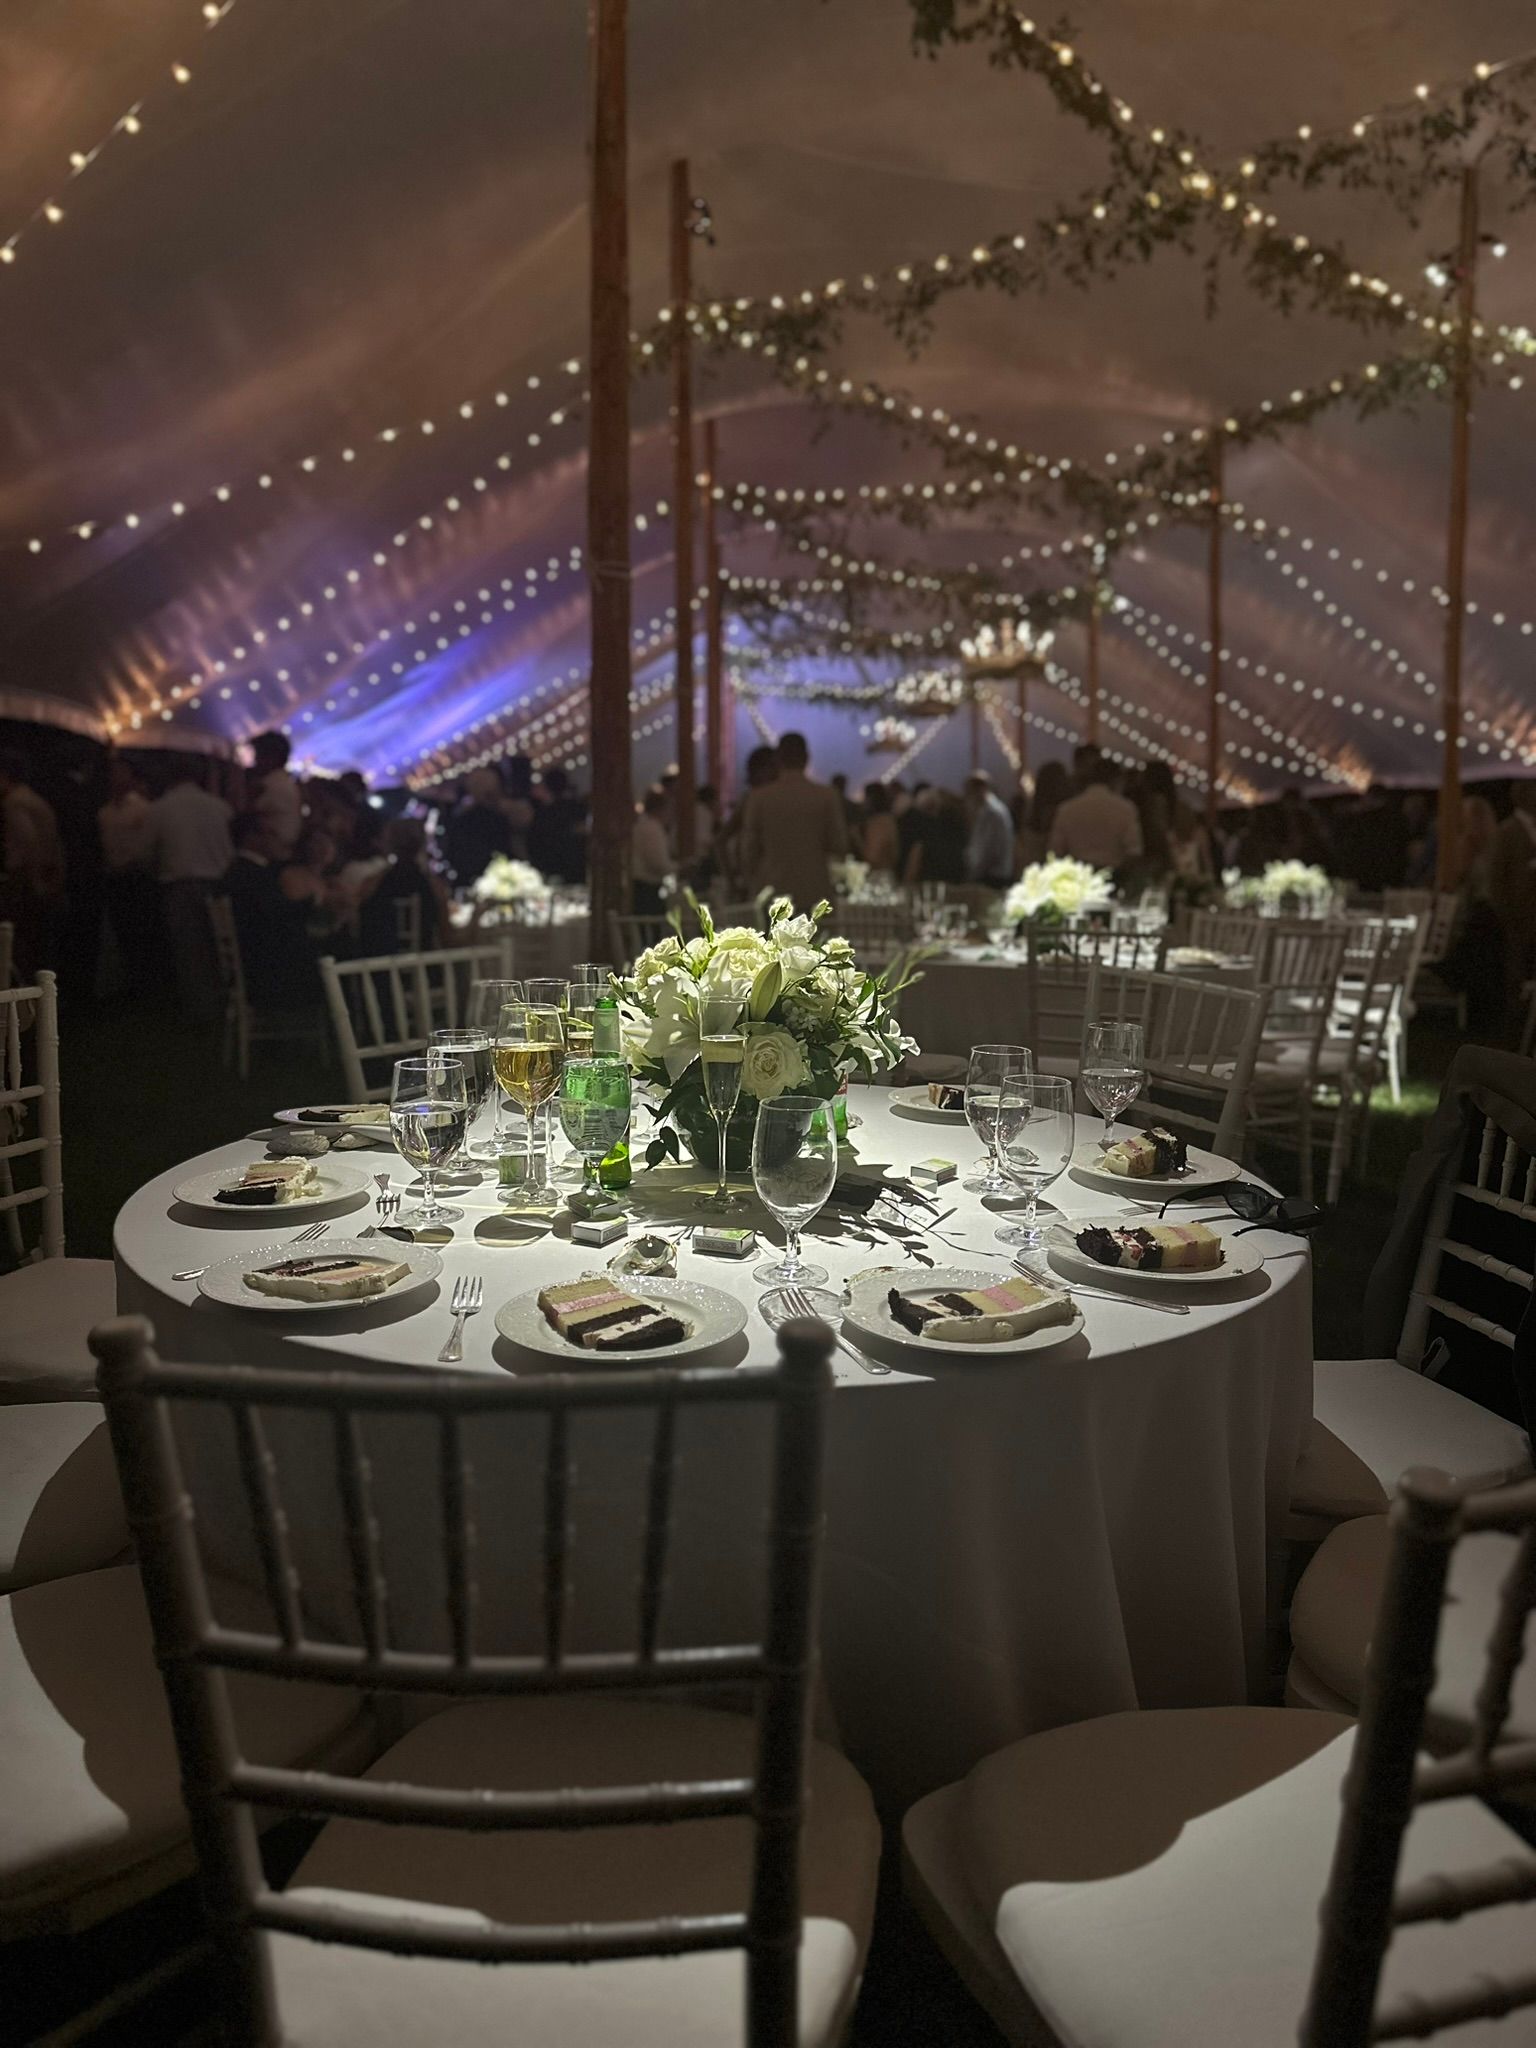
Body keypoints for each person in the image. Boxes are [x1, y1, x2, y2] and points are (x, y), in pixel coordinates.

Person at [142, 762, 233, 1017]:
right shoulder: (219, 806)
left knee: (190, 951)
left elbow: (146, 851)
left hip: (180, 884)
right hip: (219, 884)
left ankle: (201, 1009)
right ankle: (228, 1002)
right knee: (222, 947)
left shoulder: (160, 808)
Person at [739, 732, 848, 912]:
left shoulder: (759, 798)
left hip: (773, 893)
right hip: (816, 893)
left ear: (778, 759)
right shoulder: (827, 797)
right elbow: (839, 845)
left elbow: (748, 851)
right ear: (806, 758)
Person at [223, 812, 321, 1008]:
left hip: (257, 961)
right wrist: (313, 900)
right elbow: (274, 915)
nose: (279, 840)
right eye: (271, 834)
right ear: (252, 838)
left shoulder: (240, 871)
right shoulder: (253, 875)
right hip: (269, 968)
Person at [0, 747, 68, 980]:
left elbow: (27, 843)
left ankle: (24, 1006)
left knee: (21, 947)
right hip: (44, 880)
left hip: (27, 883)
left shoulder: (15, 802)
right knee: (36, 946)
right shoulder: (36, 800)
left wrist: (23, 877)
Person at [97, 757, 156, 1000]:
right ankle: (128, 983)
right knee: (122, 930)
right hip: (115, 878)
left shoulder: (143, 808)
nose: (116, 778)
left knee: (139, 930)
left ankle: (144, 985)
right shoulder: (105, 812)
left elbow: (148, 845)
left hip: (137, 877)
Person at [357, 818, 449, 955]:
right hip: (422, 969)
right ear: (422, 844)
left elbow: (357, 926)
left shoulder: (372, 884)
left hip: (379, 967)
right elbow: (446, 937)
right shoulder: (435, 886)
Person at [1490, 782, 1536, 1037]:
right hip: (1518, 916)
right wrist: (1507, 914)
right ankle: (1514, 1028)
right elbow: (1497, 877)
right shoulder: (1508, 831)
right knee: (1515, 973)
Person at [1048, 752, 1143, 876]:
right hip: (1114, 876)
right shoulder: (1125, 808)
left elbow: (1056, 852)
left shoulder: (1066, 809)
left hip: (1078, 879)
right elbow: (1133, 851)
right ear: (1116, 780)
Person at [717, 744, 778, 891]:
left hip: (760, 884)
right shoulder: (752, 800)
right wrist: (733, 881)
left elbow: (721, 841)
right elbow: (721, 841)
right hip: (764, 883)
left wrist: (733, 881)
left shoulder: (752, 799)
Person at [443, 768, 512, 888]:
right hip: (497, 882)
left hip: (469, 882)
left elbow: (451, 854)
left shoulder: (460, 819)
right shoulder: (498, 818)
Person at [246, 731, 303, 862]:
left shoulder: (271, 785)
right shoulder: (283, 783)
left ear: (272, 757)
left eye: (258, 754)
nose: (255, 760)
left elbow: (243, 811)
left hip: (269, 857)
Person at [527, 765, 587, 884]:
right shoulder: (578, 809)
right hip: (577, 869)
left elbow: (533, 843)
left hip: (550, 869)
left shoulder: (543, 813)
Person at [902, 786, 967, 887]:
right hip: (952, 887)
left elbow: (913, 869)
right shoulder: (959, 833)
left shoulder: (924, 834)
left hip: (928, 888)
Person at [963, 771, 1015, 889]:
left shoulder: (992, 812)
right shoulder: (990, 810)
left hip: (992, 877)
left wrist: (974, 873)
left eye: (970, 792)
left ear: (980, 789)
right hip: (991, 875)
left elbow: (989, 849)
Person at [631, 786, 673, 915]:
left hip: (641, 888)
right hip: (648, 890)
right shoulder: (653, 829)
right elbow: (657, 864)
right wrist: (679, 868)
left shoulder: (643, 826)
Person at [861, 782, 899, 876]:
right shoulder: (889, 819)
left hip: (877, 878)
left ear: (871, 799)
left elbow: (873, 857)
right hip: (889, 873)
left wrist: (856, 838)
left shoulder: (878, 823)